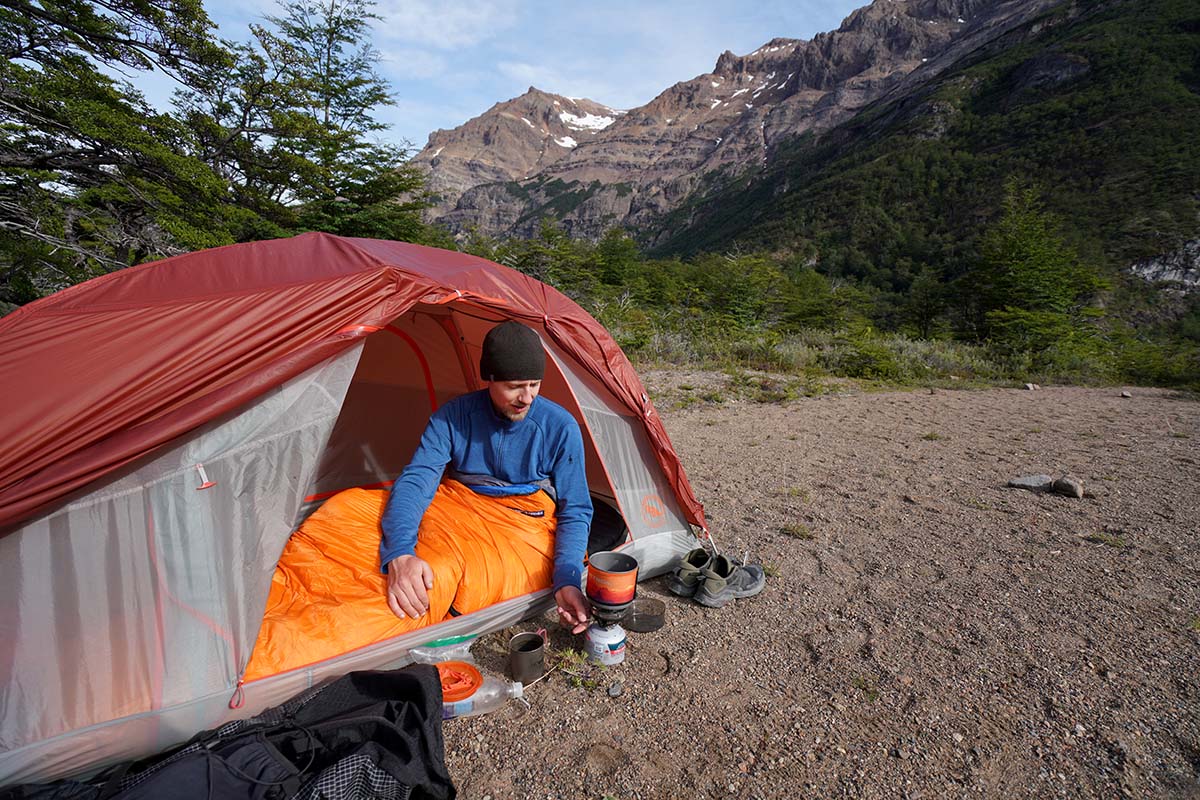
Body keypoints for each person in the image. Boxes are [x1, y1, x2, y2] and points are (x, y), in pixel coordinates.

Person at [379, 321, 594, 633]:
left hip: (523, 524)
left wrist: (567, 580)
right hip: (459, 508)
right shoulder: (454, 417)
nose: (527, 397)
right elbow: (418, 480)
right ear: (489, 378)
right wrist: (399, 552)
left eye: (534, 384)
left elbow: (575, 509)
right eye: (515, 386)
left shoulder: (560, 427)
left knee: (437, 575)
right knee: (349, 508)